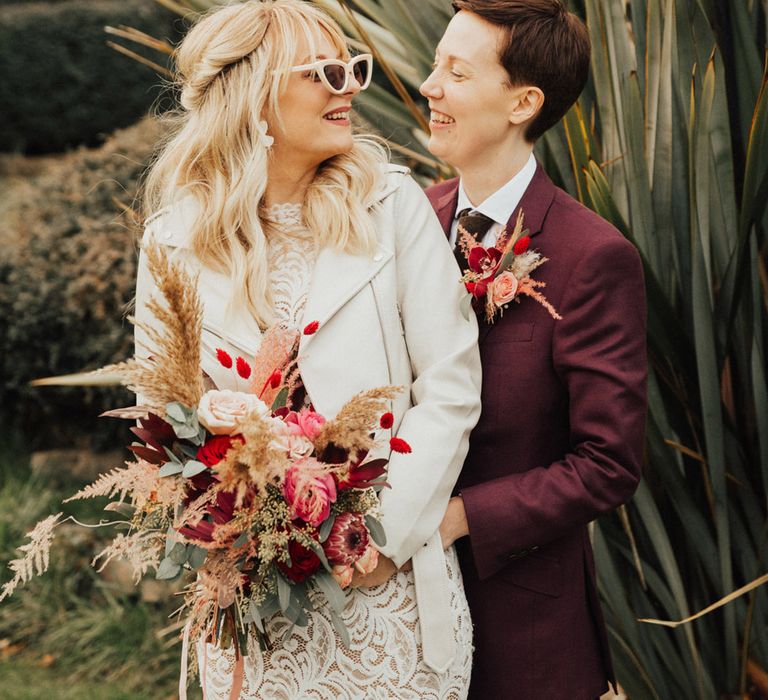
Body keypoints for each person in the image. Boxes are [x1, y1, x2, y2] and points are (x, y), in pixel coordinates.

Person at [134, 1, 481, 698]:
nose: (349, 85)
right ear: (255, 92)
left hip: (388, 596)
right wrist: (221, 504)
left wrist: (381, 540)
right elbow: (162, 408)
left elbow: (450, 386)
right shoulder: (173, 237)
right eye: (324, 71)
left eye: (352, 67)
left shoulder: (390, 205)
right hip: (252, 603)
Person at [421, 1, 647, 698]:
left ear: (523, 102)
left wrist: (459, 519)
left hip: (521, 628)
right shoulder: (408, 223)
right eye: (436, 64)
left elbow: (607, 464)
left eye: (456, 72)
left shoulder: (593, 256)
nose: (431, 86)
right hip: (391, 609)